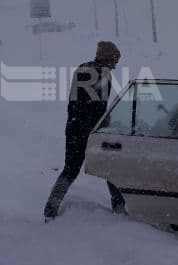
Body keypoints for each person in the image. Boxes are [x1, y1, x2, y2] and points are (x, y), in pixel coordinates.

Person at [43, 41, 126, 220]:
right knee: (110, 168)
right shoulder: (103, 74)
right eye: (114, 60)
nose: (116, 65)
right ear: (106, 57)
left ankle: (51, 208)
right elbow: (98, 108)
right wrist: (109, 125)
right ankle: (119, 210)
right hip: (91, 131)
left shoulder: (82, 68)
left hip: (73, 127)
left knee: (70, 169)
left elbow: (81, 103)